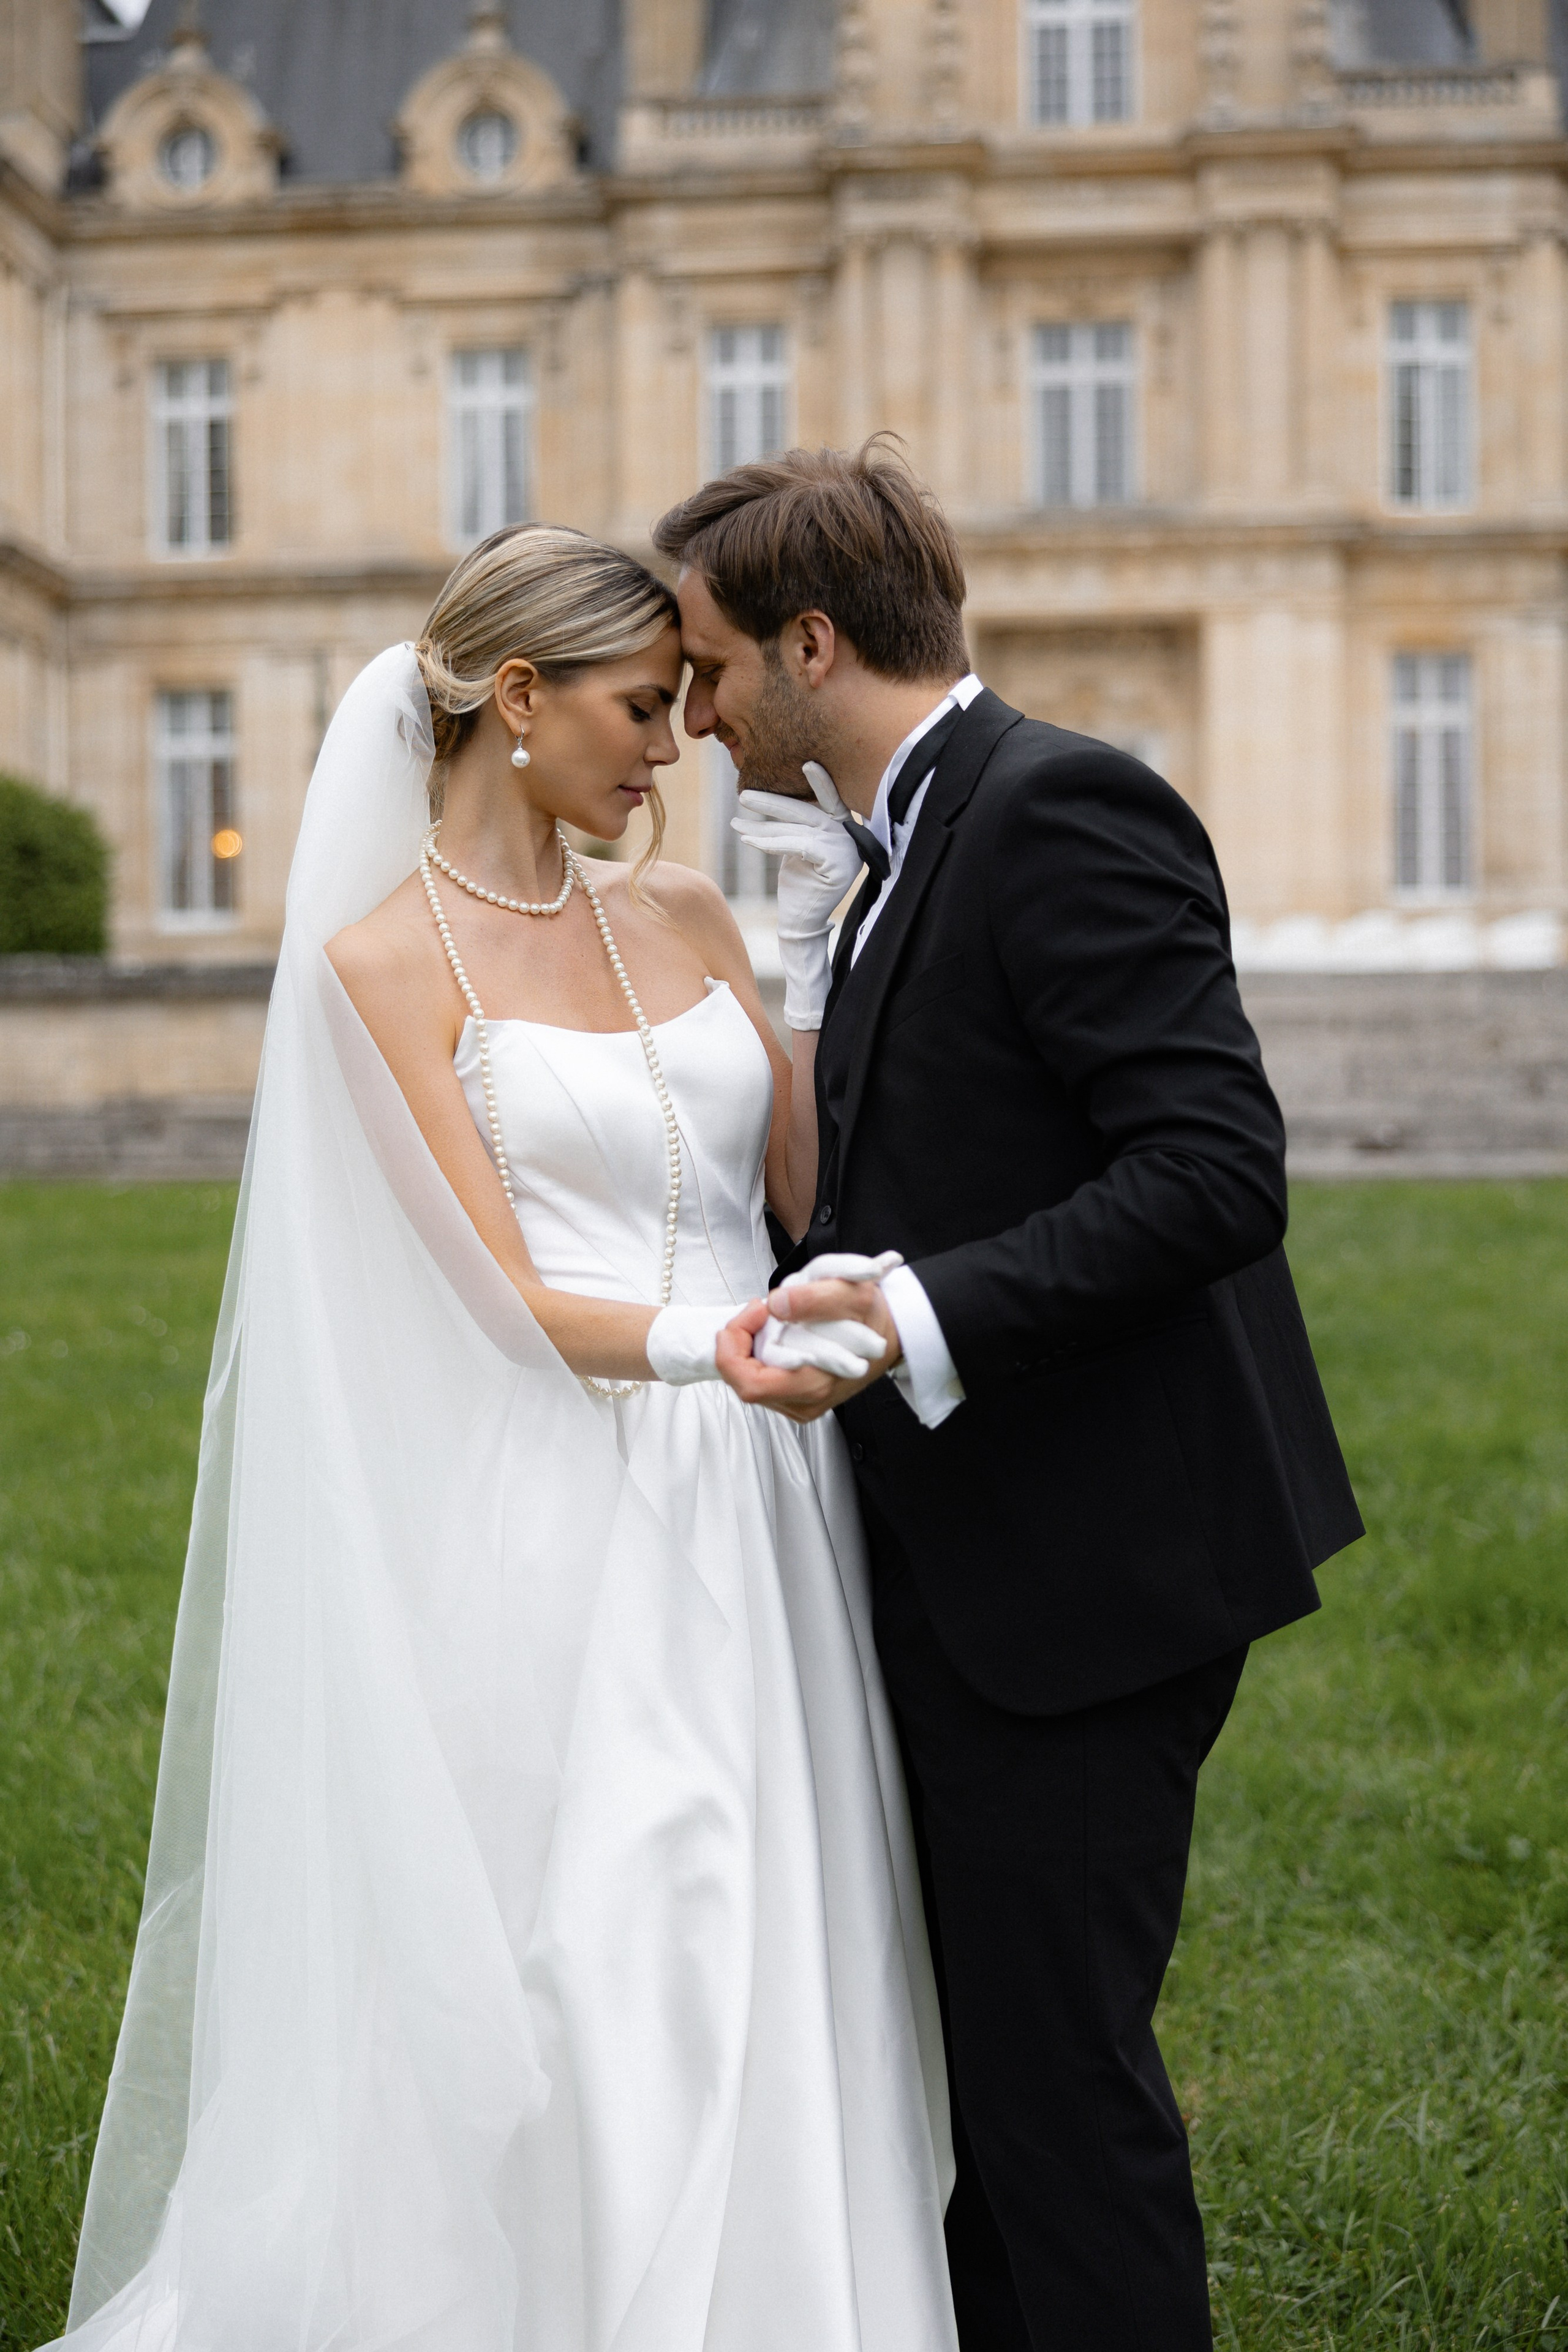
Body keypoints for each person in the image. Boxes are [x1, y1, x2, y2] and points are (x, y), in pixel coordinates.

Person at [43, 526, 959, 2352]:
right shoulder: (377, 967)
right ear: (518, 701)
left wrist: (803, 984)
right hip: (563, 1495)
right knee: (599, 1944)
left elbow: (794, 1186)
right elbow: (501, 1292)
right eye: (639, 709)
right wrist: (723, 1346)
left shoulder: (684, 910)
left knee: (773, 1921)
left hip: (764, 1495)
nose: (677, 744)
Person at [654, 440, 1365, 2352]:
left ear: (814, 644)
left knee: (1058, 2091)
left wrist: (914, 1317)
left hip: (1099, 1574)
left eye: (712, 670)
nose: (695, 717)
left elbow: (1217, 1173)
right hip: (993, 1553)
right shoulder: (889, 845)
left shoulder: (1059, 807)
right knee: (991, 2079)